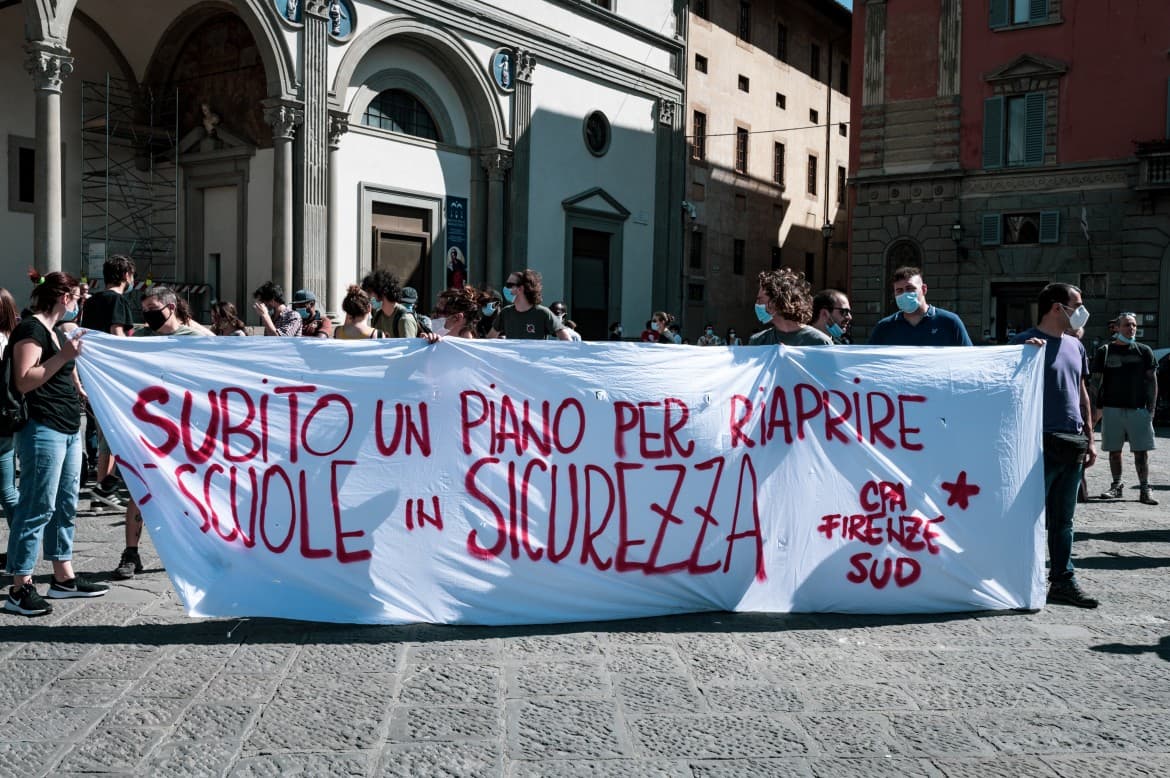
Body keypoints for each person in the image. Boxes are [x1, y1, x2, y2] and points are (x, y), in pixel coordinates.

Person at [6, 271, 108, 616]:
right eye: (77, 298)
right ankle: (20, 586)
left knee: (64, 504)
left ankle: (63, 577)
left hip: (66, 428)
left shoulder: (51, 330)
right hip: (42, 428)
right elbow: (24, 380)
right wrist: (64, 356)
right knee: (36, 507)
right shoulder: (31, 329)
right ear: (64, 297)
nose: (78, 305)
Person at [110, 285, 214, 581]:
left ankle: (199, 548)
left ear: (171, 307)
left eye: (153, 312)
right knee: (138, 488)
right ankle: (131, 552)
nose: (148, 318)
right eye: (144, 313)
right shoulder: (141, 338)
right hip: (147, 427)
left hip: (186, 428)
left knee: (191, 489)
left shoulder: (195, 339)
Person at [1011, 282, 1098, 608]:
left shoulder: (1075, 347)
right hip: (1037, 444)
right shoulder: (1023, 344)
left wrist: (1089, 437)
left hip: (1071, 441)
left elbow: (1081, 392)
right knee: (1028, 516)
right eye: (1077, 304)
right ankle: (1020, 579)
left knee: (1064, 520)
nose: (1082, 311)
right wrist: (1021, 359)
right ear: (1056, 308)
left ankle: (1062, 580)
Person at [1092, 312, 1159, 505]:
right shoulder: (1105, 351)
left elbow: (1152, 382)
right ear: (1117, 328)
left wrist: (1151, 410)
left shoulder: (1144, 350)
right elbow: (1095, 383)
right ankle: (1117, 486)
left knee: (1141, 451)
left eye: (1134, 326)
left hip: (1138, 409)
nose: (1132, 329)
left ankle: (1145, 488)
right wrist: (1095, 409)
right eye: (1127, 325)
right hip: (1111, 408)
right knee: (1114, 451)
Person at [869, 267, 972, 346]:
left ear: (923, 289)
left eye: (910, 288)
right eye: (899, 290)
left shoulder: (950, 322)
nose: (904, 294)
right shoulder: (884, 327)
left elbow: (969, 359)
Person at [749, 268, 833, 346]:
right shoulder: (758, 342)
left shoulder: (820, 343)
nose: (757, 304)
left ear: (776, 301)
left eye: (760, 299)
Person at [487, 269, 570, 340]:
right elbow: (489, 340)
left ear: (521, 289)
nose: (505, 288)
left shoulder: (543, 313)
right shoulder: (506, 313)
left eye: (509, 285)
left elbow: (566, 339)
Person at [0, 288, 19, 544]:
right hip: (7, 420)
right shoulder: (11, 337)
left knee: (7, 489)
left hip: (2, 422)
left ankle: (20, 541)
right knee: (7, 488)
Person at [361, 270, 418, 338]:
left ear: (381, 292)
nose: (368, 298)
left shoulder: (405, 319)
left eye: (369, 292)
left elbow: (410, 347)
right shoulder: (378, 316)